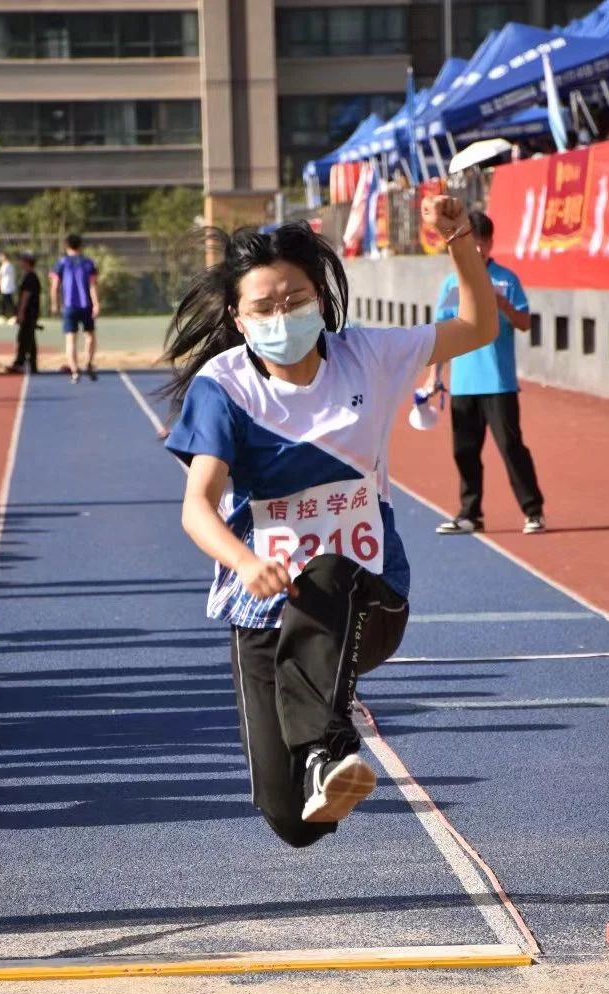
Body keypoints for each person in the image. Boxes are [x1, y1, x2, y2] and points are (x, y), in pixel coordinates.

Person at [164, 201, 498, 848]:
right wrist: (245, 561)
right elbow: (196, 505)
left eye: (295, 299)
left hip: (368, 596)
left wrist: (460, 240)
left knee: (328, 569)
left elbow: (477, 325)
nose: (281, 316)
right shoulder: (223, 387)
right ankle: (318, 762)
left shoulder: (367, 354)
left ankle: (326, 749)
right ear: (237, 318)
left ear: (320, 297)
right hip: (264, 607)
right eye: (263, 307)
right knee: (293, 822)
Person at [427, 210, 545, 535]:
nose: (478, 250)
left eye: (483, 243)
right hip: (464, 384)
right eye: (472, 243)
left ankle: (533, 511)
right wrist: (434, 375)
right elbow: (442, 333)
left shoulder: (506, 279)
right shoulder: (453, 283)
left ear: (491, 243)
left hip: (498, 382)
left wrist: (502, 304)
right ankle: (470, 513)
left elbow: (524, 323)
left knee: (511, 447)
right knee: (464, 451)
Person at [49, 233, 99, 384]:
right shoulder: (88, 263)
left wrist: (55, 304)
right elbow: (92, 285)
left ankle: (75, 371)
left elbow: (54, 286)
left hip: (69, 306)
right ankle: (88, 363)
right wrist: (96, 303)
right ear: (81, 245)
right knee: (90, 336)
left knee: (71, 340)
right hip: (86, 305)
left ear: (66, 246)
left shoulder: (62, 263)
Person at [5, 252, 41, 374]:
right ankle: (30, 363)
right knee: (28, 338)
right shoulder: (29, 276)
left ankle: (21, 363)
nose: (20, 263)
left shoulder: (30, 277)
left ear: (27, 262)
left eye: (22, 260)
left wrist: (21, 312)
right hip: (30, 312)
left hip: (29, 313)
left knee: (25, 337)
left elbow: (26, 296)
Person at [0, 251, 17, 323]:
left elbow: (0, 277)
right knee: (5, 302)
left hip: (7, 288)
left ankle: (15, 316)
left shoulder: (5, 266)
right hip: (6, 287)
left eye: (1, 256)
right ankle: (3, 316)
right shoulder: (9, 265)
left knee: (9, 302)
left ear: (4, 256)